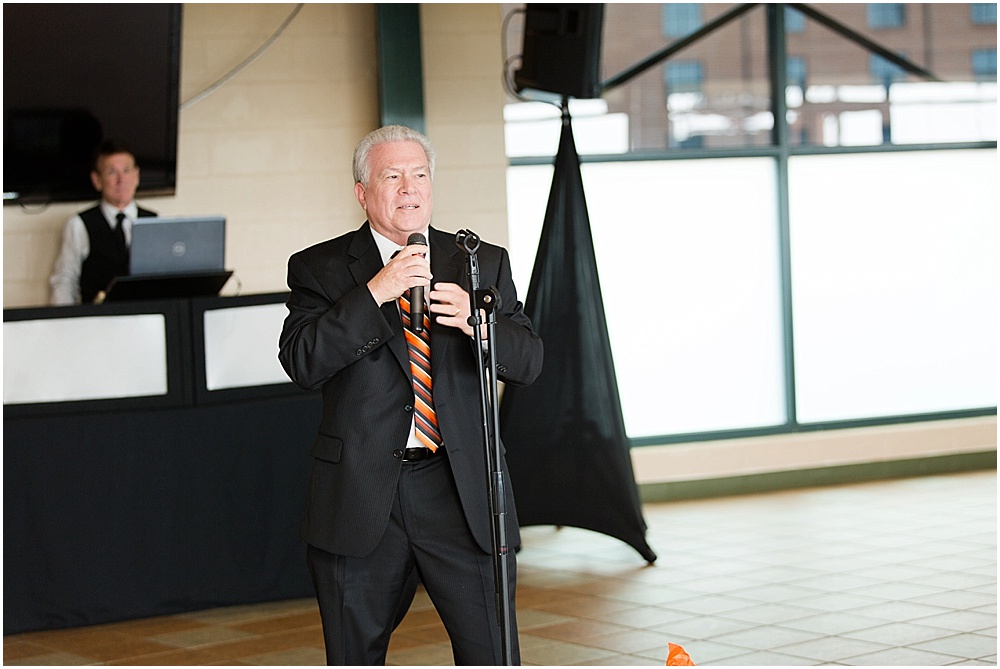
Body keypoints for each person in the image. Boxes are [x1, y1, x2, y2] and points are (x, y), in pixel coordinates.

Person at [278, 125, 543, 665]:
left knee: (493, 653)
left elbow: (529, 362)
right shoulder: (320, 268)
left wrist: (478, 323)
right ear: (362, 191)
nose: (409, 188)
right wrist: (376, 292)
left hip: (461, 488)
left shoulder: (479, 261)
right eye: (392, 176)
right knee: (355, 655)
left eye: (419, 175)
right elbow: (303, 361)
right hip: (363, 494)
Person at [49, 139, 156, 305]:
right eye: (112, 172)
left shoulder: (155, 222)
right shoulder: (78, 224)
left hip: (149, 321)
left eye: (126, 171)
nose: (121, 180)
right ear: (97, 180)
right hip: (98, 322)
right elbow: (65, 280)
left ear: (136, 176)